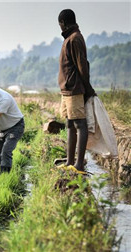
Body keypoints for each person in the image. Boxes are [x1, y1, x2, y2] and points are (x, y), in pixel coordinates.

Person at [57, 9, 96, 172]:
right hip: (67, 89)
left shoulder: (75, 39)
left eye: (59, 24)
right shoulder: (70, 38)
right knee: (70, 124)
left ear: (63, 23)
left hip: (74, 88)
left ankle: (79, 164)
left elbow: (82, 66)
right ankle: (70, 162)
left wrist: (87, 89)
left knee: (80, 124)